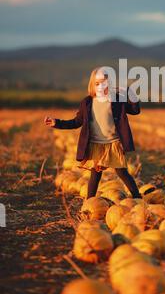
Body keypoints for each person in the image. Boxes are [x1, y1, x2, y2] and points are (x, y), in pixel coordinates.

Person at [44, 66, 142, 199]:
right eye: (97, 83)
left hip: (113, 143)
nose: (101, 86)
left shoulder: (117, 100)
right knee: (95, 175)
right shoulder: (87, 103)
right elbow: (76, 122)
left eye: (104, 82)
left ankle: (138, 199)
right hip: (96, 144)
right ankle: (90, 202)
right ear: (92, 85)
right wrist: (58, 123)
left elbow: (135, 110)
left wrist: (131, 93)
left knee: (122, 172)